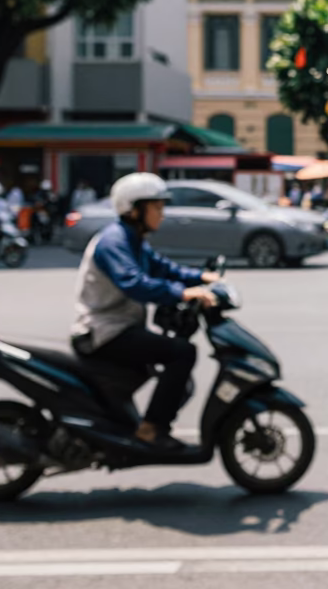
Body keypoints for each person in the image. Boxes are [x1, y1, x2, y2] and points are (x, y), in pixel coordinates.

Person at [71, 172, 219, 451]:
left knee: (176, 358)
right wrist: (183, 293)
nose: (162, 214)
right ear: (135, 210)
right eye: (157, 207)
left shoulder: (133, 239)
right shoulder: (114, 242)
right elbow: (134, 284)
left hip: (120, 327)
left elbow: (163, 268)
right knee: (182, 353)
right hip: (103, 331)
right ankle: (151, 430)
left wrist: (200, 277)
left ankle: (141, 424)